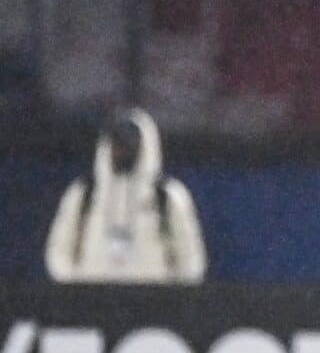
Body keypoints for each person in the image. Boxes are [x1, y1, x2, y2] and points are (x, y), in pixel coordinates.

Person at [45, 107, 207, 284]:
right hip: (93, 297)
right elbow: (59, 249)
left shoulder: (168, 195)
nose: (122, 150)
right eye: (118, 143)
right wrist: (76, 286)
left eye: (131, 143)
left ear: (145, 145)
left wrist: (173, 294)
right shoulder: (83, 192)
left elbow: (191, 257)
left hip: (152, 298)